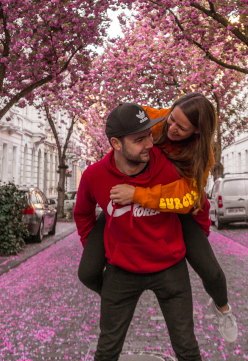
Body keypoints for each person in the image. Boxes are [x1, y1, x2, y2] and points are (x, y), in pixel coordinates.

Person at [78, 93, 238, 344]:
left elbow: (189, 200)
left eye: (181, 127)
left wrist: (139, 195)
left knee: (212, 272)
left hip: (178, 207)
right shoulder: (157, 119)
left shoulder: (201, 155)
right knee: (87, 271)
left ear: (196, 132)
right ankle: (114, 295)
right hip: (128, 198)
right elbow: (125, 119)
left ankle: (223, 308)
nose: (171, 128)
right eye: (171, 119)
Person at [74, 103, 204, 361]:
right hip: (121, 271)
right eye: (139, 139)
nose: (149, 144)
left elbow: (194, 200)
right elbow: (82, 213)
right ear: (116, 143)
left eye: (150, 135)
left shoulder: (169, 167)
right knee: (107, 350)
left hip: (170, 267)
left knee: (187, 348)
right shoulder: (94, 176)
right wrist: (99, 247)